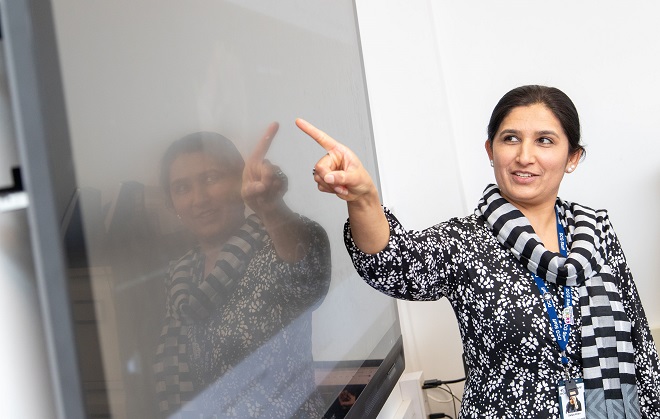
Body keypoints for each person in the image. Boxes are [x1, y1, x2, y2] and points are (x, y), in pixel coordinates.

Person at [296, 85, 660, 418]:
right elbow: (393, 264)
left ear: (572, 157)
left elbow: (640, 346)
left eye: (545, 141)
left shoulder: (594, 233)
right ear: (490, 150)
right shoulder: (465, 241)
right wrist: (363, 198)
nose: (525, 156)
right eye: (510, 138)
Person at [153, 123, 331, 418]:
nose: (199, 199)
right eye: (182, 188)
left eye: (211, 178)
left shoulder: (274, 242)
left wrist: (271, 208)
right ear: (173, 203)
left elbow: (308, 276)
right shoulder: (180, 274)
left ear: (239, 180)